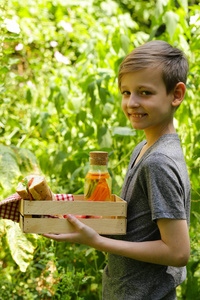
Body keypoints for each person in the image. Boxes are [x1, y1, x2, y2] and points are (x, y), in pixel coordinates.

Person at [43, 40, 191, 300]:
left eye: (145, 92)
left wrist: (97, 242)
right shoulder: (144, 148)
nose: (131, 102)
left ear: (176, 95)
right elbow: (135, 226)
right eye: (126, 92)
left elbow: (178, 253)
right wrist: (70, 213)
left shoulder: (159, 162)